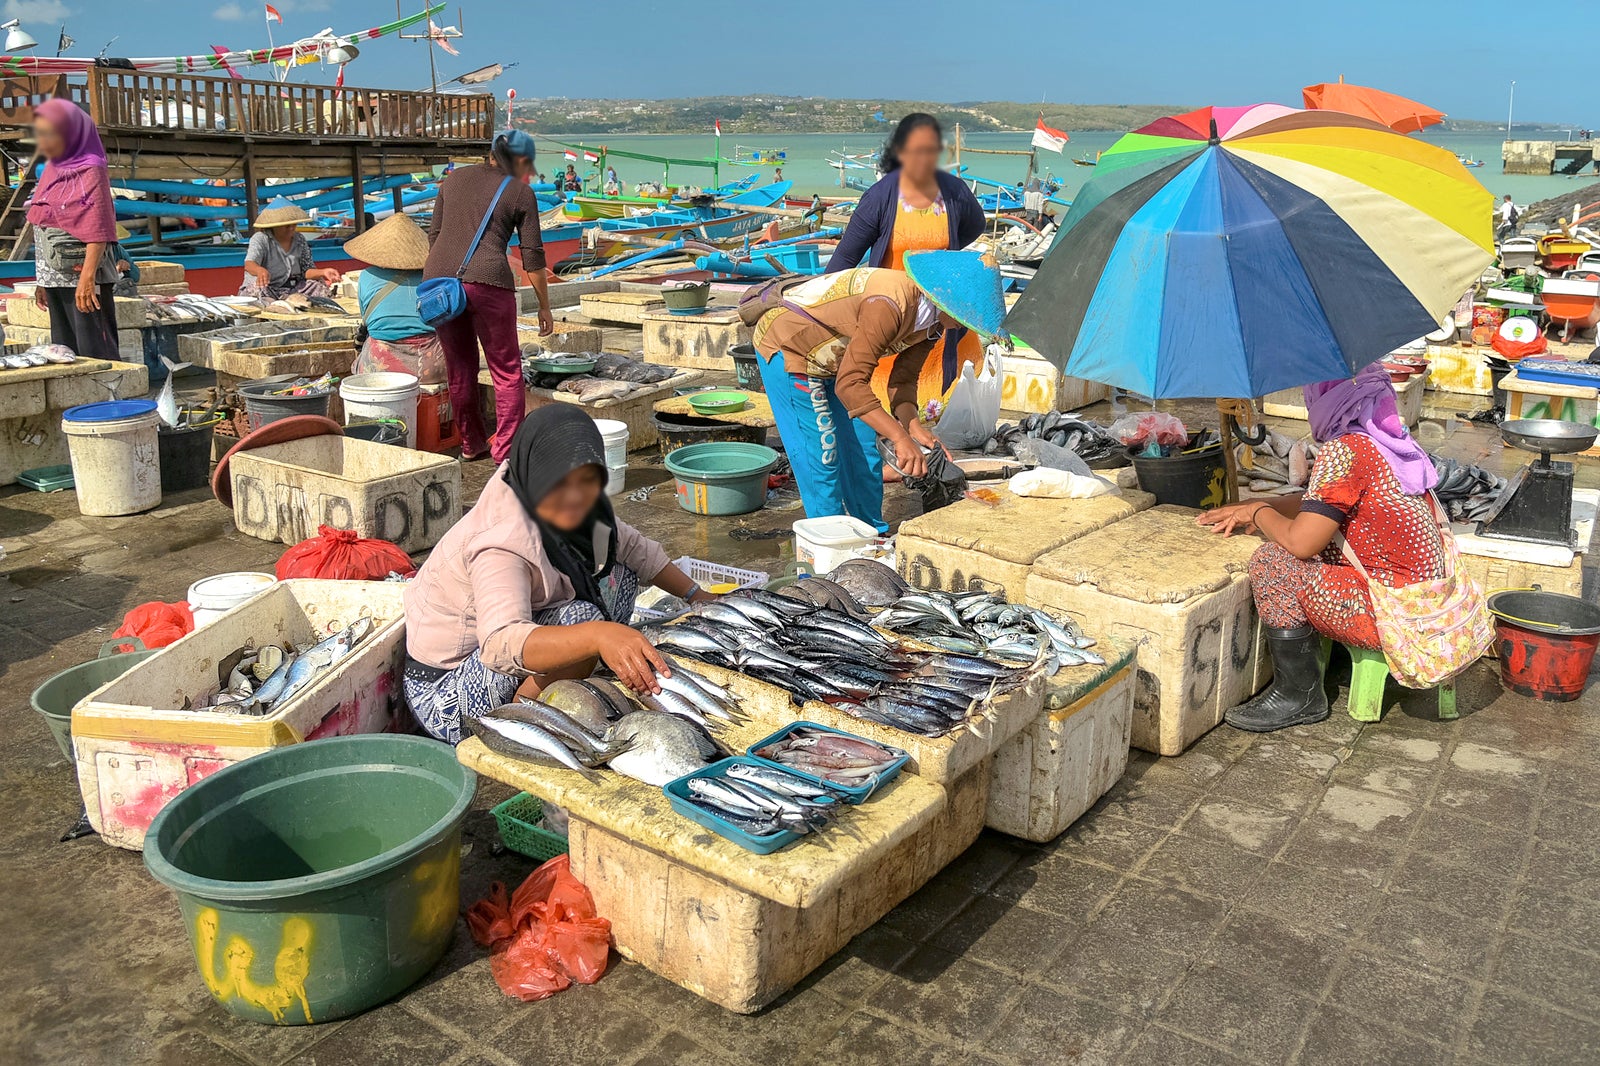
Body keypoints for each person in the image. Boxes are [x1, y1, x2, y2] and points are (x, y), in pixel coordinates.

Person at [402, 407, 713, 743]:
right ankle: (523, 713)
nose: (576, 497)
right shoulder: (502, 542)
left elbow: (634, 548)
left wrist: (697, 596)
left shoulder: (562, 498)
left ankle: (571, 668)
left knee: (618, 573)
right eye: (561, 484)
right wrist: (597, 637)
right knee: (583, 618)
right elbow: (499, 643)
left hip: (501, 644)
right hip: (444, 693)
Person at [1198, 363, 1459, 732]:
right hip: (1431, 605)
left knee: (1274, 561)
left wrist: (1257, 511)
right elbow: (1320, 504)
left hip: (1396, 617)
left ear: (1330, 400)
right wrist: (1257, 509)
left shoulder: (1347, 451)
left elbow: (1302, 542)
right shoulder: (1386, 443)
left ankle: (1298, 695)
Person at [751, 251, 1003, 532]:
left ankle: (871, 535)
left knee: (863, 450)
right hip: (793, 349)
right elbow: (850, 384)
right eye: (968, 316)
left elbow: (903, 381)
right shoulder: (889, 304)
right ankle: (831, 545)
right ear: (949, 300)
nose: (966, 325)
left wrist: (913, 428)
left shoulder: (934, 323)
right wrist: (898, 437)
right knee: (822, 455)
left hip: (837, 361)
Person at [827, 113, 987, 397]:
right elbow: (843, 263)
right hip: (891, 318)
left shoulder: (955, 192)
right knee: (888, 395)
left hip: (942, 316)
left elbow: (976, 227)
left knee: (941, 398)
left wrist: (940, 261)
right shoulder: (879, 198)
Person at [426, 129, 552, 464]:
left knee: (460, 367)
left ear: (491, 155)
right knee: (506, 369)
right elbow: (533, 256)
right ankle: (506, 451)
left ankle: (471, 443)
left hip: (440, 282)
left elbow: (435, 235)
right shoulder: (520, 191)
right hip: (488, 282)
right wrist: (544, 307)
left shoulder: (451, 181)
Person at [26, 99, 120, 359]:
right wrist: (42, 281)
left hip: (83, 277)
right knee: (65, 351)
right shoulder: (53, 169)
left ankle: (109, 398)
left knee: (95, 349)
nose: (43, 141)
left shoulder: (91, 168)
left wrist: (87, 280)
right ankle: (81, 401)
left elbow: (98, 228)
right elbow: (44, 224)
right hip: (55, 277)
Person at [344, 214, 445, 385]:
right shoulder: (434, 275)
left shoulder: (366, 276)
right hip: (429, 366)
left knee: (357, 365)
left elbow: (367, 321)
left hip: (379, 366)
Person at [240, 198, 341, 299]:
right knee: (257, 290)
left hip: (293, 289)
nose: (291, 228)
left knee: (318, 286)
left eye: (294, 225)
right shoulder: (261, 238)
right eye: (286, 226)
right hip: (268, 288)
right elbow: (249, 264)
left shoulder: (300, 239)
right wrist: (260, 270)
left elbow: (306, 271)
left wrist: (323, 272)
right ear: (274, 226)